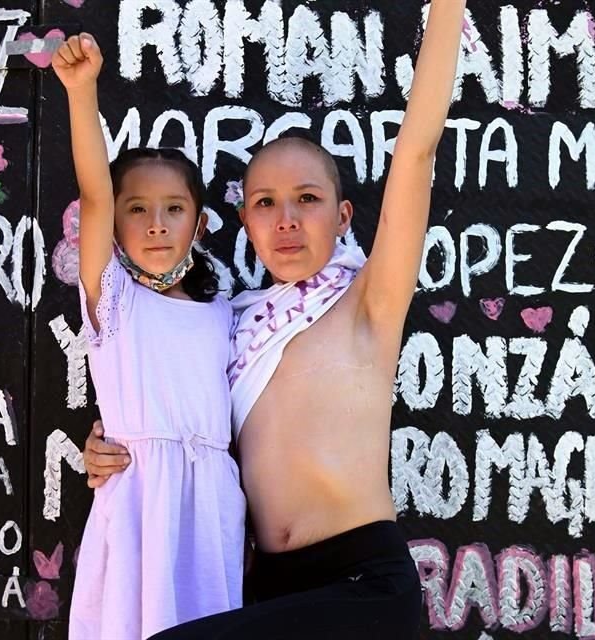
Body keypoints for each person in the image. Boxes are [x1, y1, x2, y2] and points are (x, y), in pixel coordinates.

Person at [85, 1, 465, 636]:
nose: (286, 219)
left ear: (344, 219)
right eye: (265, 203)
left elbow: (419, 149)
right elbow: (174, 413)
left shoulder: (368, 301)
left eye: (308, 200)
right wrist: (111, 447)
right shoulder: (227, 328)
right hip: (260, 586)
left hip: (361, 587)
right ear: (246, 225)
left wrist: (449, 8)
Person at [52, 33, 245, 640]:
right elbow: (92, 191)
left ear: (201, 222)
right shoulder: (114, 302)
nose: (156, 225)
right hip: (138, 504)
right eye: (136, 209)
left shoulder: (229, 315)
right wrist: (82, 93)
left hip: (213, 508)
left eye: (173, 209)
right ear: (114, 222)